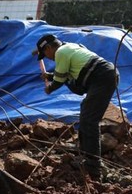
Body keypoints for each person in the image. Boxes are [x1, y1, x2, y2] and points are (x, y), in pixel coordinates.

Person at [35, 34, 119, 181]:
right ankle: (85, 154)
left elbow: (60, 80)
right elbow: (66, 73)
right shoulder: (72, 46)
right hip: (105, 74)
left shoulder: (60, 52)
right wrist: (49, 76)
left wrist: (50, 88)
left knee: (90, 120)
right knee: (85, 110)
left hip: (101, 77)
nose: (48, 58)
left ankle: (93, 167)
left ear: (48, 48)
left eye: (45, 54)